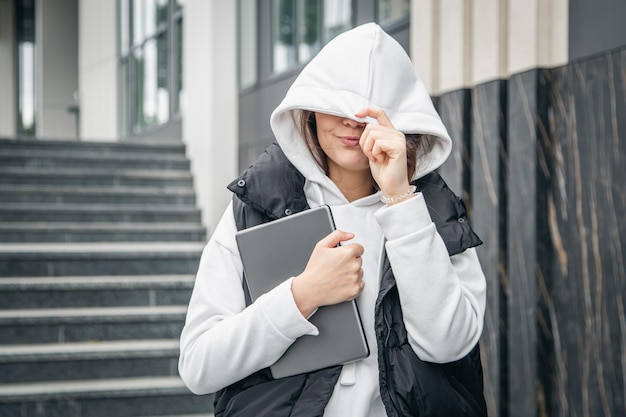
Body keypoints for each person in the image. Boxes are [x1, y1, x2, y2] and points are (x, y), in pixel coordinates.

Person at [178, 23, 488, 417]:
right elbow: (199, 366)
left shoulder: (434, 212)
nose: (351, 121)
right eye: (336, 103)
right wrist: (302, 296)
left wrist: (400, 200)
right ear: (309, 107)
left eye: (369, 109)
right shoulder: (254, 206)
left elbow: (447, 343)